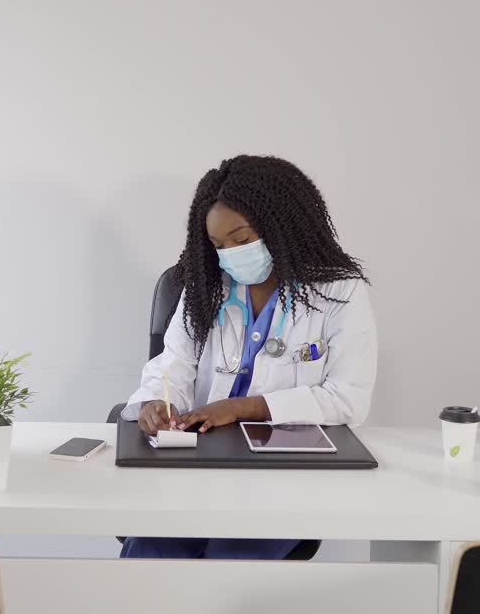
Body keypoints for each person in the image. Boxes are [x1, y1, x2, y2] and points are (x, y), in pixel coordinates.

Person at [120, 154, 377, 560]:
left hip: (285, 476)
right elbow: (174, 364)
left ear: (282, 225)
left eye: (241, 240)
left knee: (230, 559)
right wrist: (156, 400)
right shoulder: (208, 287)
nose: (231, 256)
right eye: (220, 246)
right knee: (150, 550)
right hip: (200, 467)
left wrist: (243, 407)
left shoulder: (339, 293)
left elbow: (348, 399)